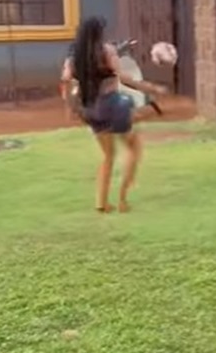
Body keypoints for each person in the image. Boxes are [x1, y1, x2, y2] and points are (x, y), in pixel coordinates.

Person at [61, 17, 167, 213]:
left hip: (90, 109)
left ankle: (101, 203)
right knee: (134, 148)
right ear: (99, 34)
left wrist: (72, 109)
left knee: (108, 156)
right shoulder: (106, 51)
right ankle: (122, 200)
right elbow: (125, 79)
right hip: (112, 105)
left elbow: (65, 81)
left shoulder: (74, 56)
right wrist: (152, 87)